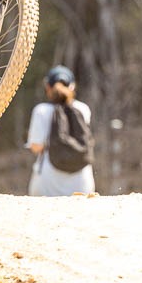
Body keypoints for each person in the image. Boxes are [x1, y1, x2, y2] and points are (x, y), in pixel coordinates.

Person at [26, 65, 94, 196]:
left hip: (48, 185)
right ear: (72, 87)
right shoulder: (83, 109)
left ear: (47, 87)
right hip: (82, 185)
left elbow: (36, 147)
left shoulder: (41, 111)